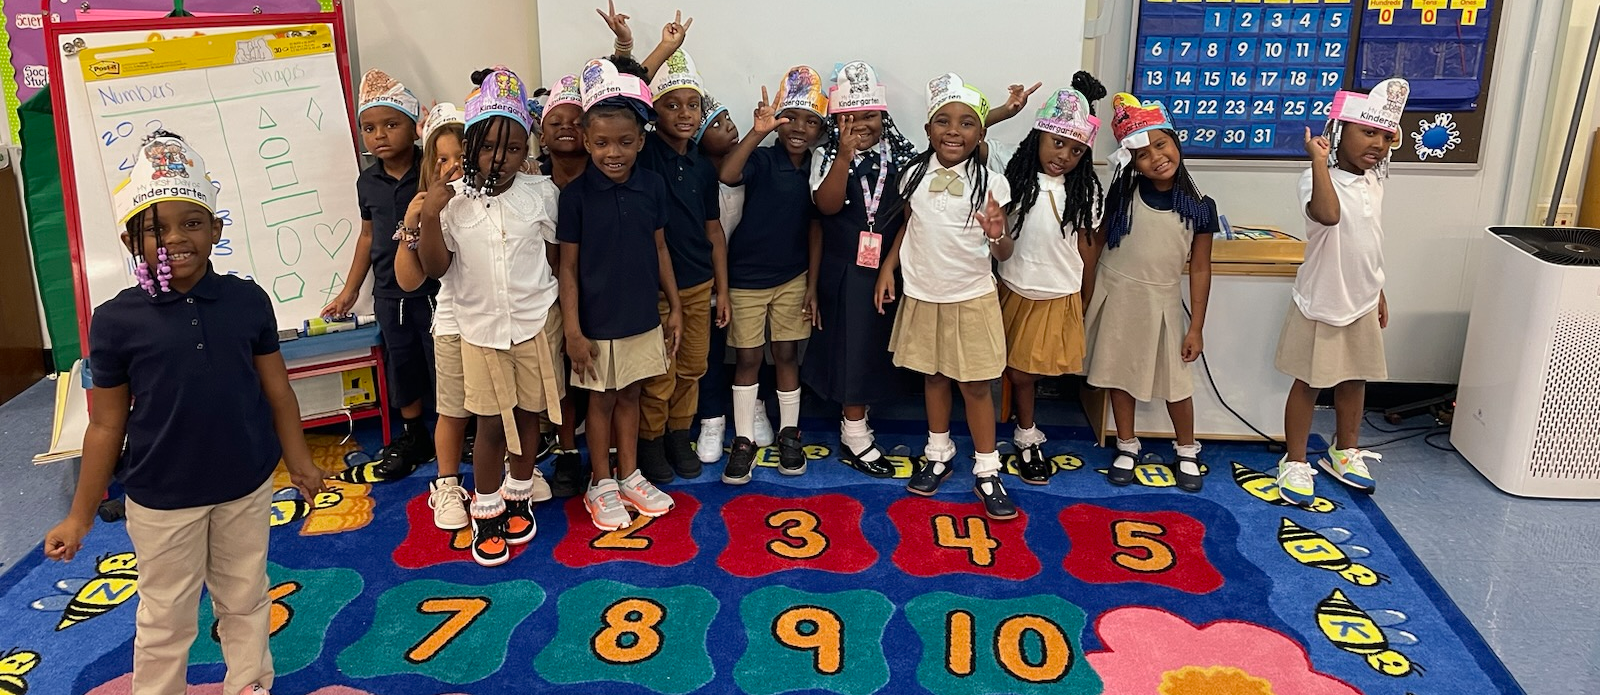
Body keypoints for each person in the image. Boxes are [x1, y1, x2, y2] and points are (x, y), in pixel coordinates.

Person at [44, 131, 326, 695]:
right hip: (161, 497)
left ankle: (249, 683)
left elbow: (278, 392)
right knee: (166, 614)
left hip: (244, 484)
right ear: (131, 241)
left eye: (191, 223)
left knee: (245, 596)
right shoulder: (117, 320)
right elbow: (106, 423)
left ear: (216, 230)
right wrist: (79, 515)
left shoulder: (247, 300)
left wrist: (300, 462)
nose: (175, 239)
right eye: (156, 228)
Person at [417, 67, 560, 567]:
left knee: (528, 415)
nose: (500, 160)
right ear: (471, 145)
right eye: (488, 147)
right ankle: (487, 503)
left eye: (514, 148)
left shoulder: (540, 194)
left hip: (531, 322)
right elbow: (436, 268)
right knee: (489, 423)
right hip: (479, 330)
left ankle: (520, 488)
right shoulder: (453, 204)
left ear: (528, 151)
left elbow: (557, 255)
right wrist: (431, 215)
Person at [873, 74, 1016, 519]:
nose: (954, 131)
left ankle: (988, 469)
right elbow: (909, 227)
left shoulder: (994, 182)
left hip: (970, 296)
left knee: (974, 384)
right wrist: (888, 268)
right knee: (933, 377)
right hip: (923, 293)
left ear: (981, 133)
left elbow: (1005, 250)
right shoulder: (913, 174)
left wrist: (997, 236)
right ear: (928, 130)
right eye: (943, 122)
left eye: (967, 123)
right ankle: (938, 451)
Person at [1275, 79, 1410, 506]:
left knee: (1355, 377)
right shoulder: (1314, 179)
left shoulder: (1375, 184)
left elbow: (1371, 240)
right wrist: (1317, 161)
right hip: (1321, 299)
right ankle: (1295, 460)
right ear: (1339, 133)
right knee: (1310, 381)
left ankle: (1344, 449)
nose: (1378, 144)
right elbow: (1329, 217)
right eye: (1368, 132)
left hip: (1363, 298)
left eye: (1386, 137)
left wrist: (1380, 288)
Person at [560, 58, 681, 531]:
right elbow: (566, 268)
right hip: (594, 321)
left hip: (640, 315)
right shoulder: (575, 197)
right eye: (604, 143)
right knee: (601, 401)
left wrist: (672, 306)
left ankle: (629, 474)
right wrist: (572, 329)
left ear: (641, 142)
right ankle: (601, 482)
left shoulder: (651, 186)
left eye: (626, 143)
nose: (615, 153)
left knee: (630, 393)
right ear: (587, 142)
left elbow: (660, 248)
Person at [1083, 93, 1218, 492]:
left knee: (1175, 382)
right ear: (1132, 163)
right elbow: (1096, 245)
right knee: (1118, 373)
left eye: (1161, 144)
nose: (1156, 157)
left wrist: (1196, 327)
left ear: (1175, 142)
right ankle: (1126, 444)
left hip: (1160, 301)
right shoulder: (1123, 195)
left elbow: (1200, 268)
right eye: (1142, 154)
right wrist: (1085, 296)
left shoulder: (1200, 207)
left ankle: (1187, 448)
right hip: (1117, 293)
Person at [713, 67, 829, 483]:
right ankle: (743, 440)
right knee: (746, 358)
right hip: (745, 279)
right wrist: (758, 132)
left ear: (821, 129)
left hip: (793, 278)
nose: (800, 128)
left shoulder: (817, 168)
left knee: (785, 355)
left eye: (811, 121)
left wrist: (811, 286)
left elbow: (817, 229)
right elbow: (727, 175)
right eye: (791, 117)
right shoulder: (762, 158)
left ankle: (789, 434)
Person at [323, 69, 436, 480]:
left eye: (391, 124)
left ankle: (463, 428)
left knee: (442, 361)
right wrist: (350, 291)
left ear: (413, 126)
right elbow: (367, 237)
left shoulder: (430, 170)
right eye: (370, 128)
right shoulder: (366, 181)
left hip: (434, 290)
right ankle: (413, 434)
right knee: (401, 363)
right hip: (389, 294)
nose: (380, 136)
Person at [997, 72, 1107, 485]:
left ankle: (1027, 435)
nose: (1063, 155)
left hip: (1057, 293)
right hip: (1011, 286)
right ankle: (1014, 427)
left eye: (1076, 150)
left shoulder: (1087, 193)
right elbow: (974, 146)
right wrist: (1004, 111)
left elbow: (1088, 250)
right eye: (1057, 142)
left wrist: (1084, 297)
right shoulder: (1013, 175)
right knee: (1007, 365)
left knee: (1025, 372)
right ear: (1038, 136)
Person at [635, 48, 730, 483]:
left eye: (693, 105)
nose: (684, 114)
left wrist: (722, 290)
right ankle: (650, 441)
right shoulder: (644, 153)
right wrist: (661, 51)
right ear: (653, 112)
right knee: (659, 372)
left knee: (692, 367)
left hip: (697, 286)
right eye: (672, 105)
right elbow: (627, 98)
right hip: (654, 288)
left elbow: (714, 231)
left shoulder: (702, 167)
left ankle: (678, 434)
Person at [393, 103, 475, 532]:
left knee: (503, 407)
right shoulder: (427, 206)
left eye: (461, 155)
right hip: (455, 322)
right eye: (442, 159)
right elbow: (408, 281)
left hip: (497, 320)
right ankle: (445, 483)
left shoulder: (488, 198)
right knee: (453, 409)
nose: (453, 166)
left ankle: (514, 470)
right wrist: (414, 223)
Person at [536, 74, 592, 498]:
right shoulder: (531, 184)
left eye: (577, 119)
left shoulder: (609, 174)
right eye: (557, 121)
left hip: (603, 290)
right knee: (562, 377)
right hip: (548, 298)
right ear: (542, 132)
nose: (567, 126)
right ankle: (568, 450)